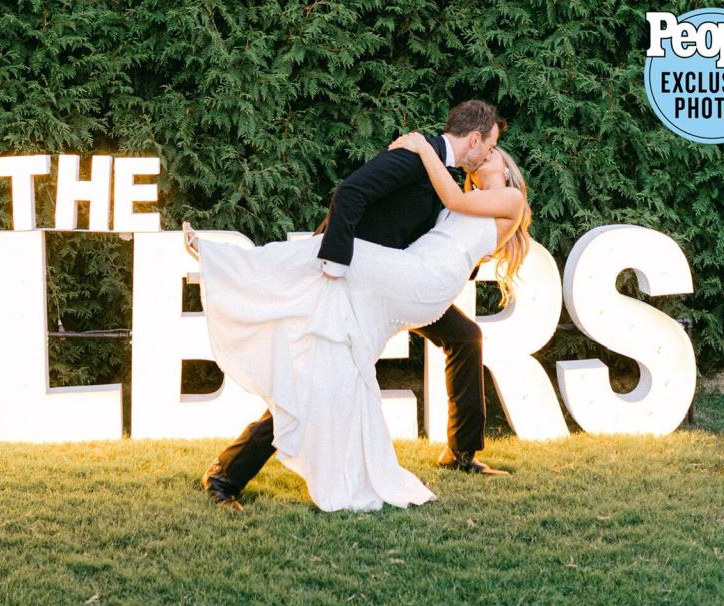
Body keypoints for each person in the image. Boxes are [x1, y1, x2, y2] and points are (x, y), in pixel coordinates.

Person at [199, 100, 520, 511]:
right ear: (476, 139)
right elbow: (350, 193)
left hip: (400, 284)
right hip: (354, 279)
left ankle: (461, 453)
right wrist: (333, 262)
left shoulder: (453, 181)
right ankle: (227, 474)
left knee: (465, 336)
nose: (491, 153)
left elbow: (448, 234)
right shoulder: (414, 156)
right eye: (491, 145)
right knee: (324, 377)